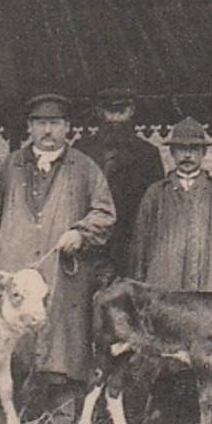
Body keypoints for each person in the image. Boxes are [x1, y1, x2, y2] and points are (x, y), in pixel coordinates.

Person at [0, 93, 115, 417]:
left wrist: (81, 232)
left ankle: (59, 415)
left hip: (63, 272)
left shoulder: (84, 169)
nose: (48, 131)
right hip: (14, 267)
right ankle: (7, 414)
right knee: (7, 341)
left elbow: (104, 213)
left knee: (62, 340)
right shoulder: (10, 167)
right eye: (40, 123)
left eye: (55, 124)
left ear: (67, 128)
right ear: (30, 128)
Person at [130, 118, 212, 291]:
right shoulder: (156, 194)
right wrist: (138, 284)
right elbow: (140, 242)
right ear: (172, 152)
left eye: (193, 149)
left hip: (209, 282)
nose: (187, 155)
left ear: (204, 152)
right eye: (181, 149)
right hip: (165, 285)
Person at [72, 87, 165, 282]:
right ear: (99, 112)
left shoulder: (148, 154)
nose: (114, 119)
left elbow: (156, 207)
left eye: (120, 112)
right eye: (109, 111)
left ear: (131, 111)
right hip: (88, 245)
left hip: (128, 247)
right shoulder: (81, 151)